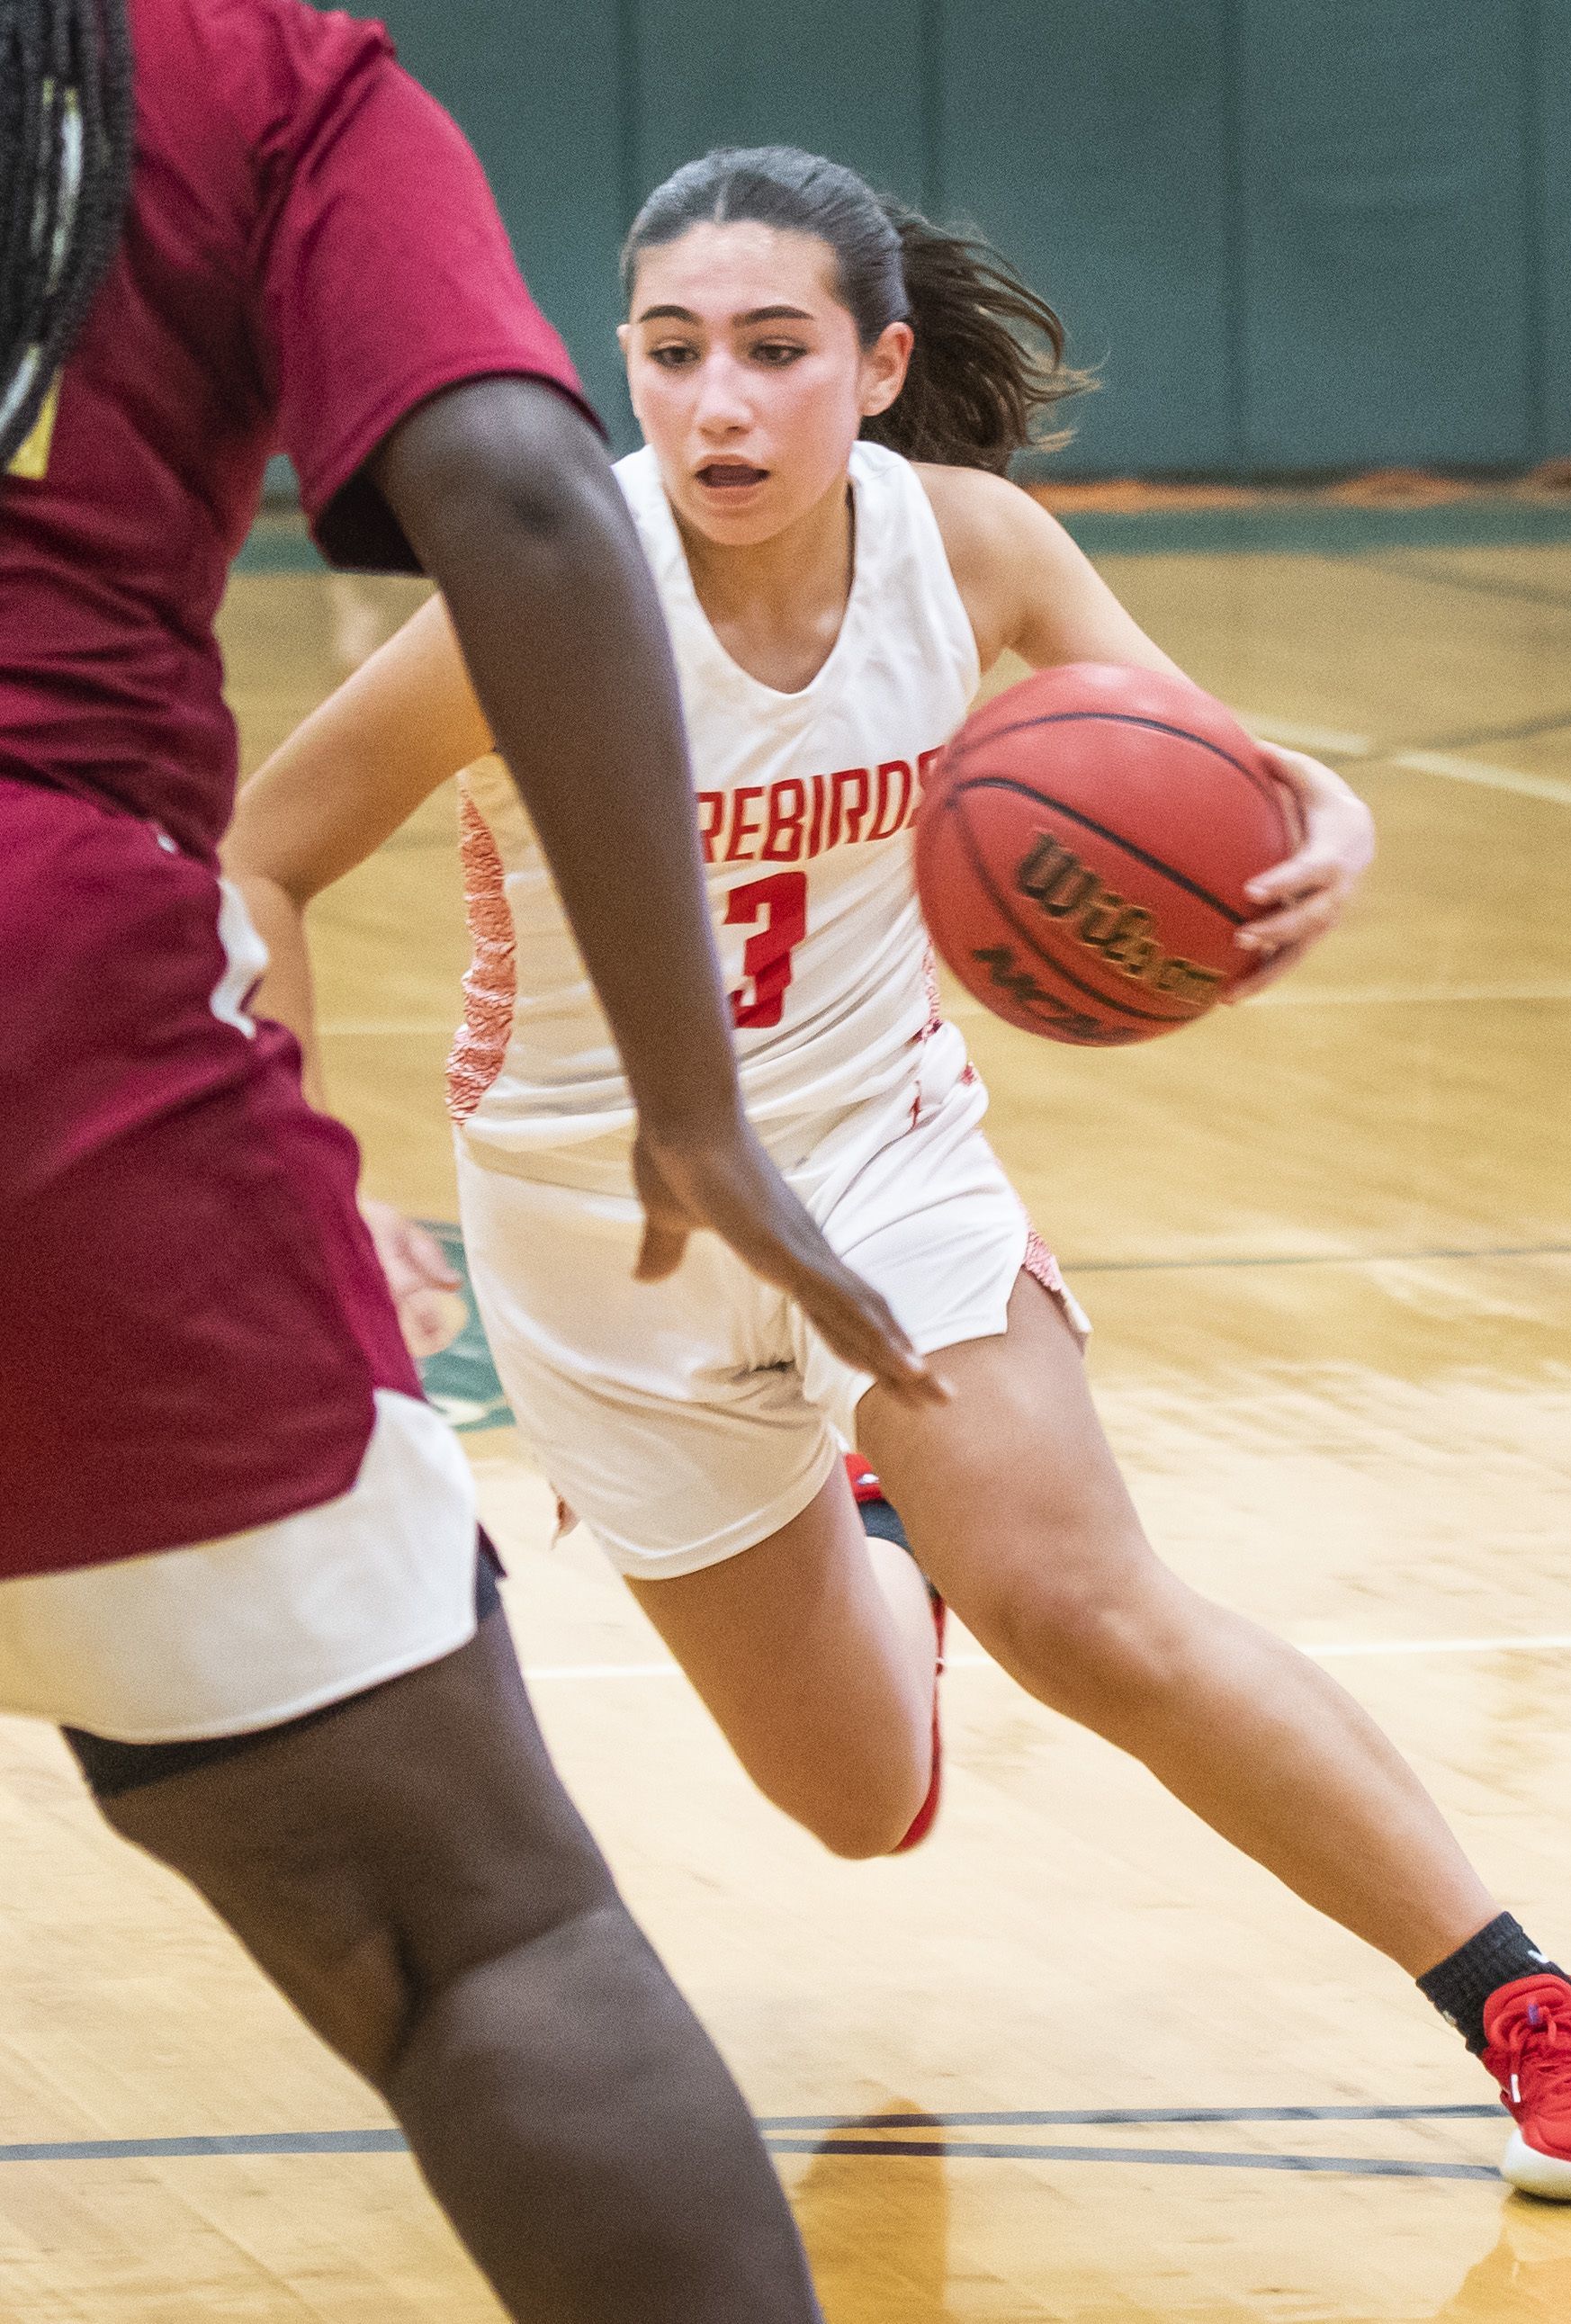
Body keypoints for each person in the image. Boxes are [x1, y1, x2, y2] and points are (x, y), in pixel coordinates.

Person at [227, 145, 1571, 2211]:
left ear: (878, 362)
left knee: (1080, 1604)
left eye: (773, 351)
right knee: (855, 1798)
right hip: (598, 1243)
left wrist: (1329, 815)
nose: (718, 404)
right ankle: (878, 1527)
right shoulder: (543, 594)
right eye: (668, 355)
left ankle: (1531, 2000)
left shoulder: (972, 548)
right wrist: (302, 1167)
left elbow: (1211, 756)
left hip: (875, 1160)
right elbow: (259, 854)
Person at [0, 16, 963, 2320]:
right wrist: (692, 1095)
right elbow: (528, 499)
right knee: (486, 1936)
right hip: (46, 1020)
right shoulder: (236, 69)